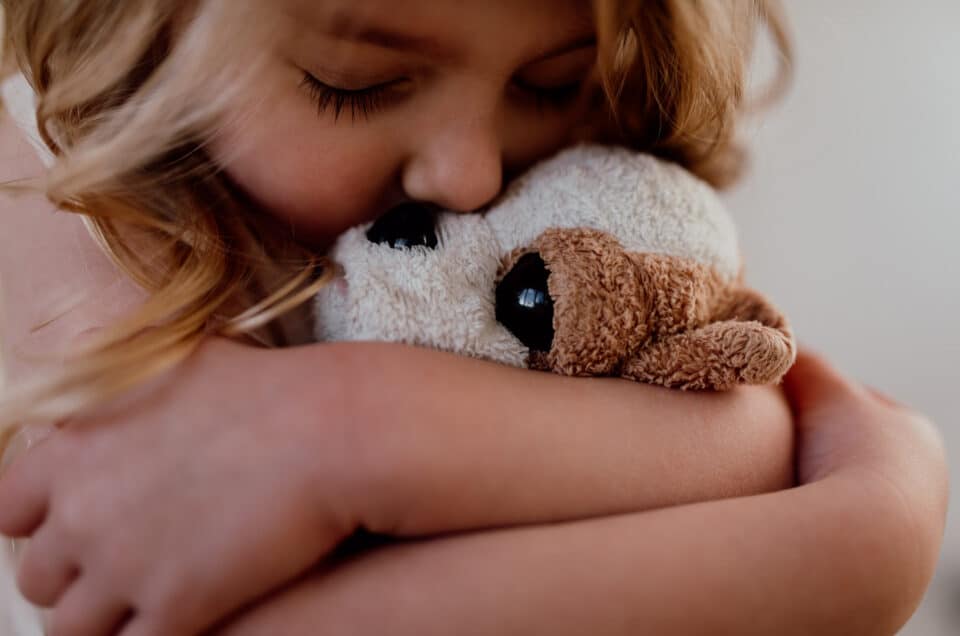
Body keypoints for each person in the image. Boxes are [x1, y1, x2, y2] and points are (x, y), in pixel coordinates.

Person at [0, 1, 947, 635]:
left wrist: (343, 437)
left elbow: (734, 432)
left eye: (549, 83)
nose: (470, 176)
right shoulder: (51, 198)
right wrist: (863, 537)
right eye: (352, 81)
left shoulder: (542, 199)